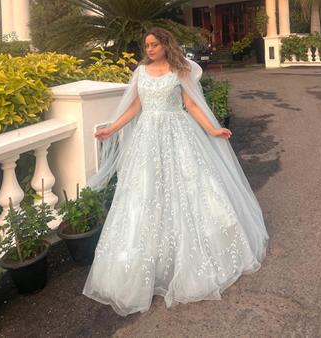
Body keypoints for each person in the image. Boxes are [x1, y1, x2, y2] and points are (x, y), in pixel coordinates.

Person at [83, 27, 269, 316]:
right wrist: (111, 128)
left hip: (178, 134)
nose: (150, 49)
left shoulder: (180, 70)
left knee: (190, 190)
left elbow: (191, 105)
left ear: (165, 45)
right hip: (148, 139)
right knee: (145, 193)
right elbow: (135, 107)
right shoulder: (140, 72)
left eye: (154, 44)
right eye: (147, 45)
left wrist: (213, 129)